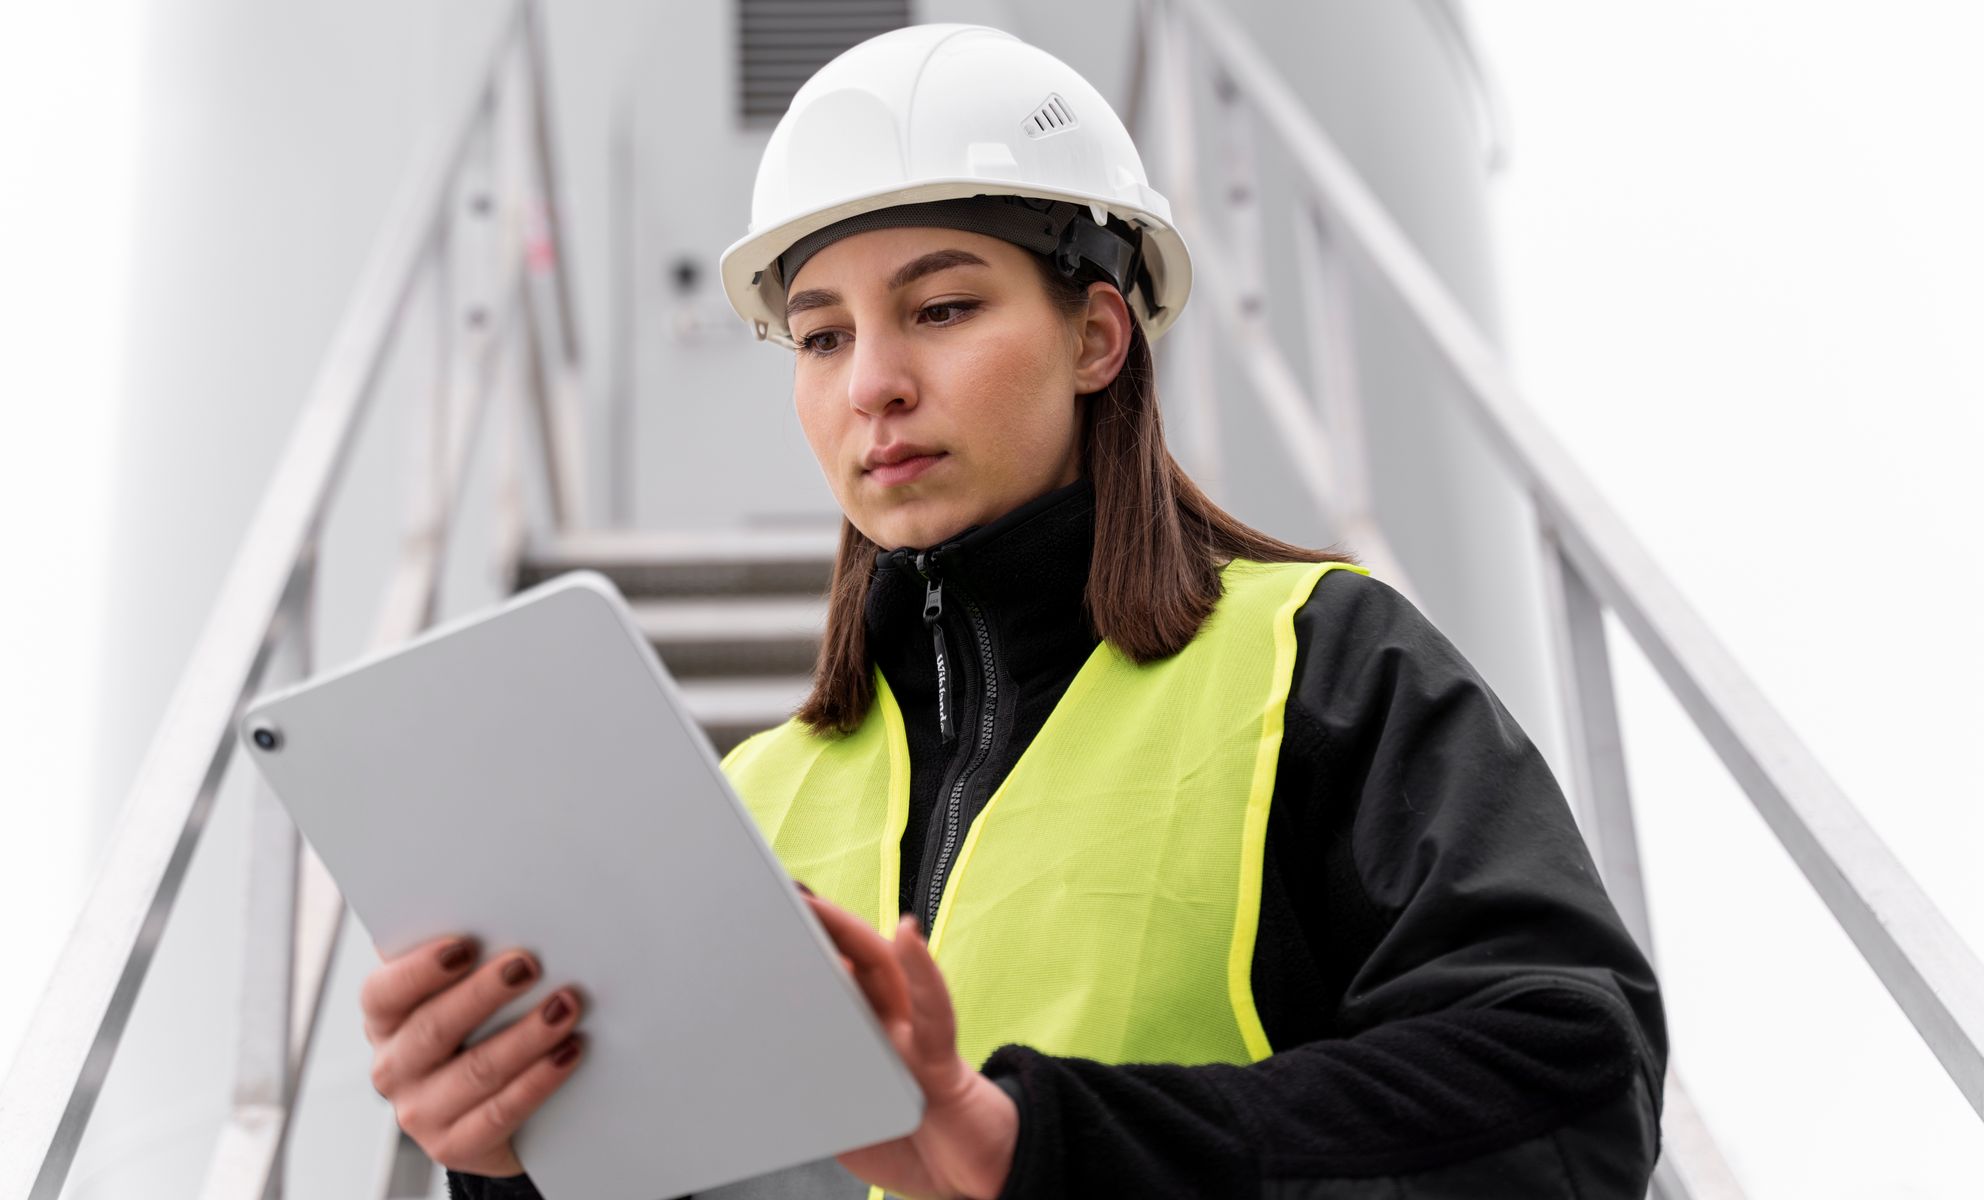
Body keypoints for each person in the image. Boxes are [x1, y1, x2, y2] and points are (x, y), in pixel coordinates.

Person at [361, 24, 1666, 1200]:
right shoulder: (748, 802)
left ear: (1097, 335)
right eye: (821, 336)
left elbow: (1569, 1073)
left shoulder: (1315, 663)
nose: (871, 384)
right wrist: (511, 1156)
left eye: (941, 308)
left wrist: (1040, 1148)